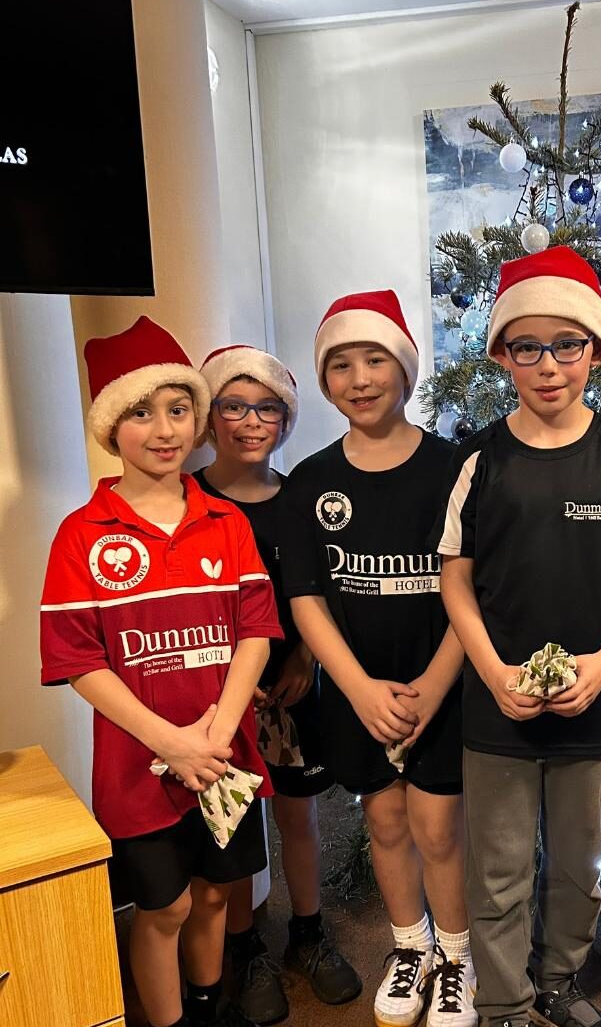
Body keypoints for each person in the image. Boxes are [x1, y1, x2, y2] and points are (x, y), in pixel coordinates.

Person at [434, 245, 601, 1027]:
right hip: (494, 708)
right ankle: (506, 1000)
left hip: (593, 704)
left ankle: (557, 980)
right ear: (501, 354)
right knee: (500, 865)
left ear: (596, 349)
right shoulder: (478, 457)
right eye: (527, 347)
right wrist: (491, 667)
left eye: (566, 344)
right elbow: (454, 575)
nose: (548, 366)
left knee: (577, 862)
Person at [40, 317, 282, 1027]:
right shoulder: (81, 535)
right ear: (112, 428)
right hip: (137, 765)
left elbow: (256, 631)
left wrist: (215, 730)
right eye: (141, 412)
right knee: (165, 904)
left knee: (214, 893)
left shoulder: (223, 521)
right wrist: (172, 742)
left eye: (179, 409)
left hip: (224, 754)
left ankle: (207, 1006)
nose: (164, 429)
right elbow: (78, 660)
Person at [281, 290, 476, 1027]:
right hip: (358, 693)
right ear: (325, 381)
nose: (359, 379)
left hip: (442, 686)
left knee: (436, 828)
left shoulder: (456, 470)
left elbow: (471, 593)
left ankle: (456, 959)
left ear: (404, 370)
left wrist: (431, 683)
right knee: (384, 823)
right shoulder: (310, 483)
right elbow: (307, 600)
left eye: (374, 360)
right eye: (340, 365)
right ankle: (410, 948)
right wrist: (358, 687)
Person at [195, 345, 360, 1024]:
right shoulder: (188, 499)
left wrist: (306, 663)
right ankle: (245, 946)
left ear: (285, 419)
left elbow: (318, 595)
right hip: (214, 693)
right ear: (210, 417)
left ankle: (307, 933)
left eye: (267, 407)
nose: (251, 420)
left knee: (298, 814)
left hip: (290, 688)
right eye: (234, 405)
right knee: (230, 824)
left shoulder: (299, 501)